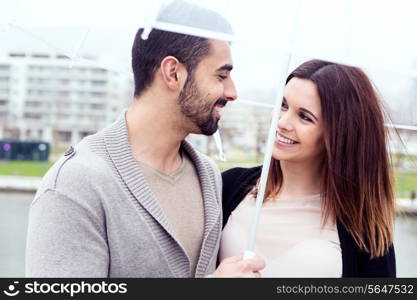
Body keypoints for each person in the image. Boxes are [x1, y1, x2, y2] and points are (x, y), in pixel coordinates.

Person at [26, 0, 264, 278]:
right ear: (173, 72)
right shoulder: (75, 184)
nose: (232, 92)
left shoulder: (208, 175)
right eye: (221, 75)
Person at [220, 59, 396, 277]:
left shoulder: (365, 230)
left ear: (339, 135)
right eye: (283, 105)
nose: (282, 122)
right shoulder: (227, 187)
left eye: (304, 117)